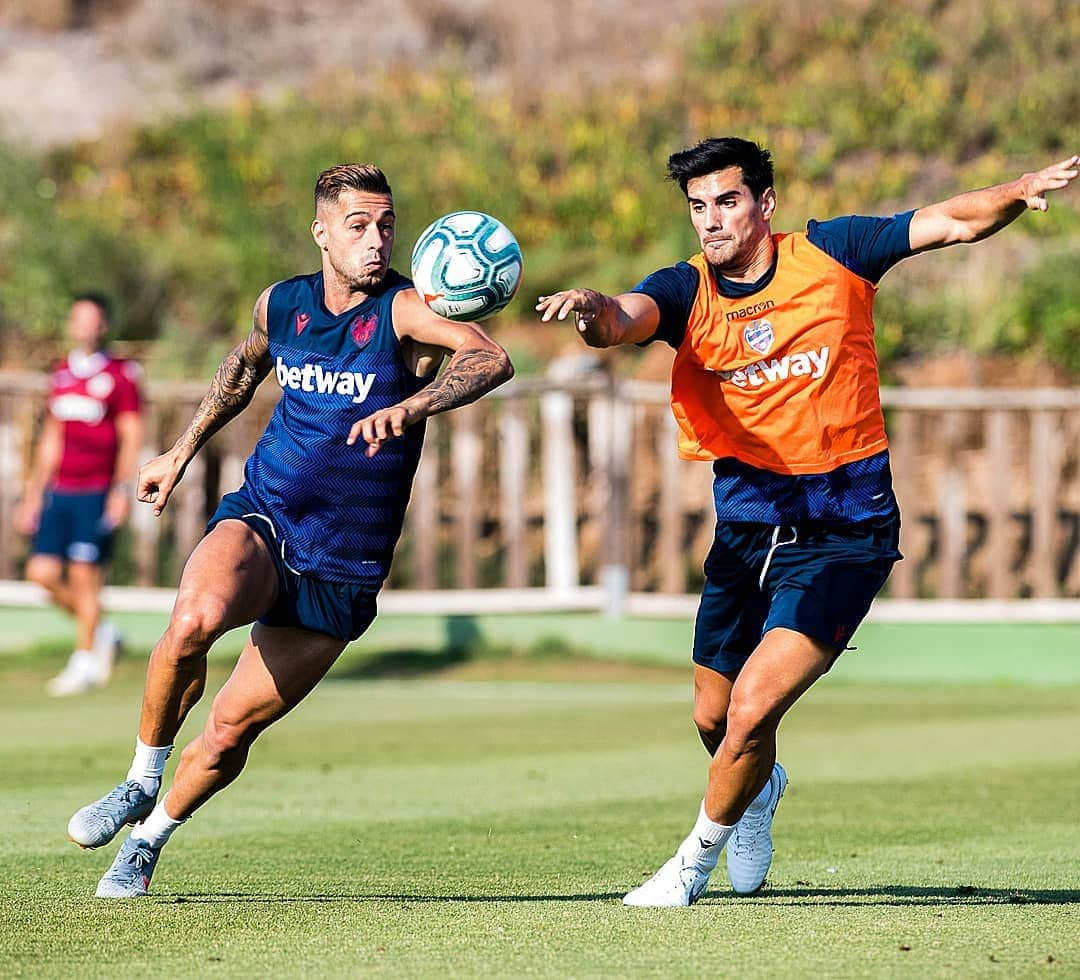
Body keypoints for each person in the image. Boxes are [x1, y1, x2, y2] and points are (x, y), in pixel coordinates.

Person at [537, 139, 1078, 907]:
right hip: (748, 528)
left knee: (754, 707)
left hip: (845, 530)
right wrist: (593, 313)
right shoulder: (687, 291)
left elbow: (949, 220)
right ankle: (760, 789)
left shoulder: (835, 252)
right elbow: (626, 318)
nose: (712, 220)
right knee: (714, 716)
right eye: (698, 207)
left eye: (727, 201)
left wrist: (1018, 189)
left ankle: (686, 870)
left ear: (766, 203)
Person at [67, 164, 514, 898]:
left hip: (345, 561)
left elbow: (491, 355)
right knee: (192, 621)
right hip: (265, 515)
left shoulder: (404, 310)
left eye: (387, 225)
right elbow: (243, 370)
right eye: (358, 226)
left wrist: (413, 406)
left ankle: (149, 841)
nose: (376, 240)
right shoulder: (283, 303)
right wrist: (179, 453)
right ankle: (139, 779)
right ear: (322, 233)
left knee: (229, 732)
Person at [16, 293, 143, 696]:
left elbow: (131, 435)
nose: (88, 326)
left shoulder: (122, 376)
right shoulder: (61, 375)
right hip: (61, 491)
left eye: (95, 320)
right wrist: (34, 493)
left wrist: (121, 491)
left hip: (97, 491)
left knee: (85, 578)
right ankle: (102, 630)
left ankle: (85, 661)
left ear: (103, 325)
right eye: (81, 319)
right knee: (42, 573)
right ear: (71, 324)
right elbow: (52, 439)